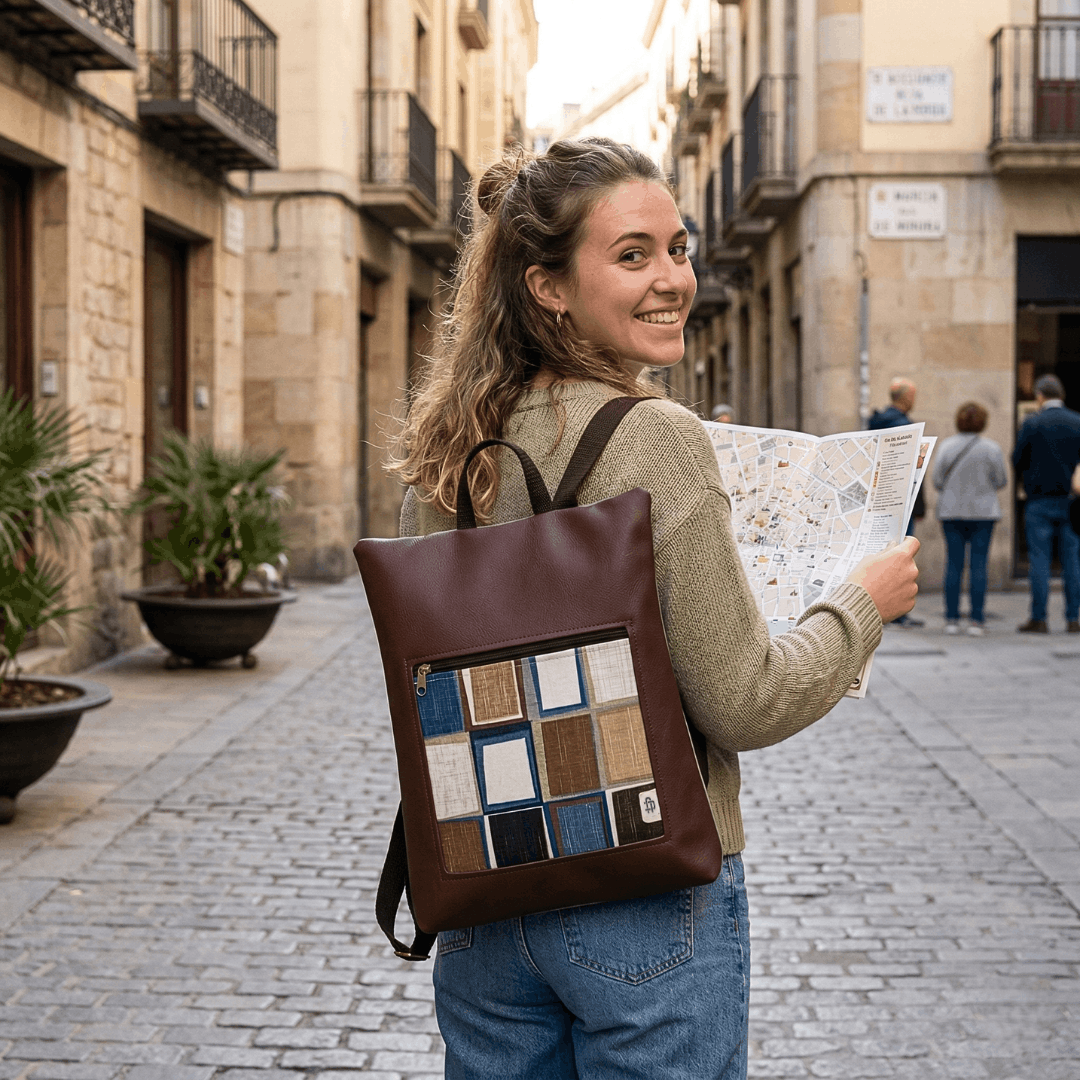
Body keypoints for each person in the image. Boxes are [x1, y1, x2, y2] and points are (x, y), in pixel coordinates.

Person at [391, 138, 920, 1080]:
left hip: (484, 893)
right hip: (641, 893)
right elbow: (744, 704)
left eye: (677, 248)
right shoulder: (658, 440)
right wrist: (860, 605)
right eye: (631, 255)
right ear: (547, 285)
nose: (672, 277)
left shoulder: (454, 443)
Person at [1012, 373, 1080, 633]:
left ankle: (1039, 618)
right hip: (1071, 500)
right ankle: (1073, 618)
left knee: (1039, 560)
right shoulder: (1077, 422)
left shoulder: (1033, 423)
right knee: (1072, 560)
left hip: (1039, 500)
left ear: (1040, 396)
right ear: (1061, 396)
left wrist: (1028, 478)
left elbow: (1017, 459)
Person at [933, 402, 1007, 636]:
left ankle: (951, 619)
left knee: (953, 564)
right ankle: (976, 619)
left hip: (951, 512)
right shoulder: (991, 448)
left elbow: (936, 480)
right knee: (979, 565)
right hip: (983, 513)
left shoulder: (947, 446)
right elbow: (1002, 479)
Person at [868, 377, 925, 625]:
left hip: (880, 498)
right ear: (905, 398)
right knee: (902, 555)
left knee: (882, 553)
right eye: (912, 395)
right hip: (901, 498)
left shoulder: (875, 423)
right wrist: (919, 504)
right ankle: (898, 614)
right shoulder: (904, 426)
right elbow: (912, 470)